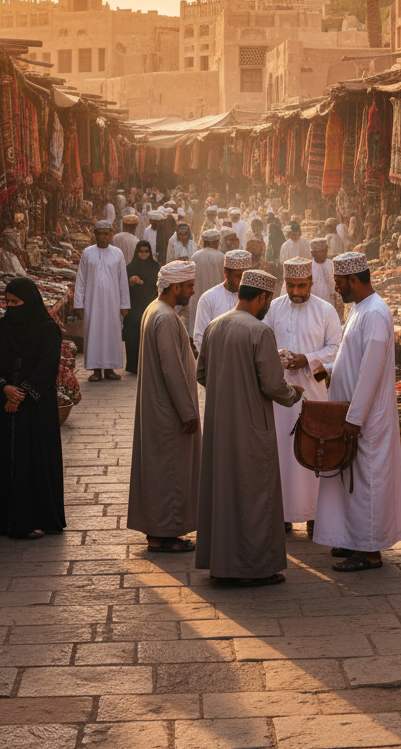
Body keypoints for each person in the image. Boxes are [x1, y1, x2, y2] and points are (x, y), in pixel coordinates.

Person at [196, 269, 304, 585]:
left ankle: (223, 564)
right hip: (251, 427)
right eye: (267, 300)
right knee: (253, 494)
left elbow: (202, 374)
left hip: (219, 427)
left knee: (224, 494)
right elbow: (273, 385)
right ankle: (250, 568)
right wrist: (295, 393)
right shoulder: (260, 331)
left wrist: (226, 389)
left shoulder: (215, 326)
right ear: (262, 298)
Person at [315, 252, 401, 573]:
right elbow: (349, 356)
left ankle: (369, 552)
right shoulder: (359, 309)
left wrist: (355, 418)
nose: (337, 289)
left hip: (366, 419)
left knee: (365, 483)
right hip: (352, 414)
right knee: (349, 483)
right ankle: (353, 539)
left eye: (340, 283)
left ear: (354, 280)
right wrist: (326, 368)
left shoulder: (376, 313)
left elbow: (369, 370)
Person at [127, 261, 201, 553]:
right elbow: (172, 369)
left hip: (158, 407)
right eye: (189, 286)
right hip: (168, 412)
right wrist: (188, 413)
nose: (192, 291)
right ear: (175, 287)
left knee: (160, 471)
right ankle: (165, 534)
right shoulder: (166, 317)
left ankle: (159, 532)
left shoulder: (154, 310)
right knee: (170, 472)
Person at [264, 258, 341, 534]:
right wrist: (278, 357)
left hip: (314, 395)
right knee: (282, 453)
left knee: (313, 453)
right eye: (290, 286)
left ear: (311, 282)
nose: (295, 291)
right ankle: (282, 514)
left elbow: (336, 348)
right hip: (280, 397)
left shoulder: (326, 310)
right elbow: (263, 342)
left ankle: (313, 514)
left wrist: (307, 359)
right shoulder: (274, 308)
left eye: (301, 286)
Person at [0, 278, 65, 539]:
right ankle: (2, 521)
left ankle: (36, 519)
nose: (10, 307)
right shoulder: (1, 327)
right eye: (7, 302)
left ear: (28, 302)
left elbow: (47, 367)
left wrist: (21, 394)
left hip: (36, 409)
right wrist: (4, 388)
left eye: (15, 302)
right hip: (6, 406)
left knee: (34, 461)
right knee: (5, 460)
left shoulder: (48, 329)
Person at [73, 220, 130, 382]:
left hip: (113, 303)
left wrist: (125, 304)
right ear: (95, 234)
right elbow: (81, 279)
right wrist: (79, 303)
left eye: (106, 233)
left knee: (112, 333)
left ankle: (110, 369)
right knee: (95, 333)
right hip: (93, 302)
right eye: (100, 233)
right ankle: (96, 370)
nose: (103, 236)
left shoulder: (118, 253)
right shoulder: (87, 253)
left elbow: (123, 281)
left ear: (111, 234)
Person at [193, 249, 253, 353]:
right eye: (239, 276)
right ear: (225, 272)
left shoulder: (254, 298)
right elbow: (200, 338)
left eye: (247, 276)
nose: (243, 281)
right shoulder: (209, 298)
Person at [122, 240, 160, 375]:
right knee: (133, 337)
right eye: (141, 251)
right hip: (134, 307)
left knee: (150, 336)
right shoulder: (130, 268)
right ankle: (134, 366)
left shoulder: (156, 267)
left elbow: (161, 287)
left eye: (146, 251)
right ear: (136, 252)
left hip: (151, 305)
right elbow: (122, 288)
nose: (144, 254)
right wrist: (130, 282)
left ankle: (150, 366)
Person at [188, 229, 225, 339]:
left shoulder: (195, 257)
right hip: (217, 299)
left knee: (198, 327)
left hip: (197, 296)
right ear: (217, 242)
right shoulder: (221, 257)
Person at [308, 238, 340, 316]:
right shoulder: (308, 267)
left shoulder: (332, 265)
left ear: (325, 251)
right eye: (313, 252)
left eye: (319, 252)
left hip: (330, 306)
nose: (315, 254)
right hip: (313, 308)